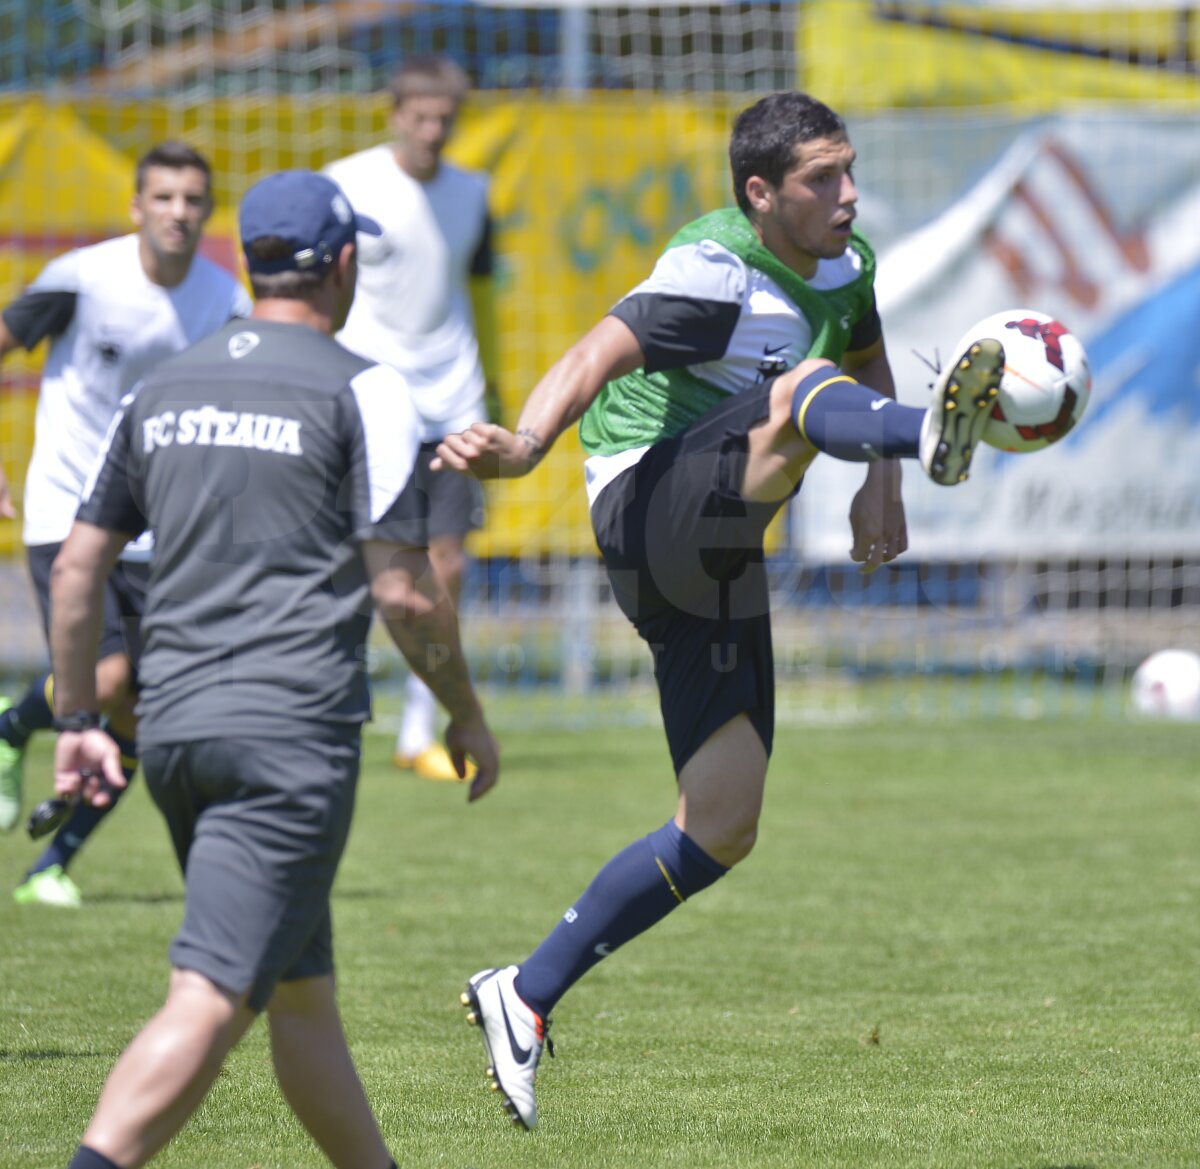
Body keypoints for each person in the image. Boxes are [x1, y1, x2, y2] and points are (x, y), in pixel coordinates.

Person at [436, 91, 1004, 1130]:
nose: (849, 194)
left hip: (718, 544)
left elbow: (860, 339)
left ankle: (521, 992)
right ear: (760, 191)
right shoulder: (715, 275)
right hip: (646, 504)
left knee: (725, 818)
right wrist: (523, 445)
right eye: (822, 179)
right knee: (797, 392)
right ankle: (926, 427)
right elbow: (591, 354)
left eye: (849, 169)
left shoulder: (849, 259)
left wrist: (883, 486)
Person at [47, 169, 499, 1169]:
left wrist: (78, 715)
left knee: (301, 991)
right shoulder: (365, 387)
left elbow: (78, 569)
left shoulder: (158, 387)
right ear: (342, 264)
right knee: (209, 995)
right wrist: (464, 710)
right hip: (289, 738)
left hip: (173, 730)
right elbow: (406, 592)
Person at [0, 141, 252, 907]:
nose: (178, 212)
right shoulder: (82, 279)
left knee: (151, 710)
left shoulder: (224, 300)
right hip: (66, 511)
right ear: (137, 206)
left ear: (207, 211)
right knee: (106, 679)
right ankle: (14, 726)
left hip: (163, 529)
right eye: (164, 197)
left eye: (192, 200)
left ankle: (50, 866)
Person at [322, 54, 496, 782]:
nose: (433, 131)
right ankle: (330, 702)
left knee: (444, 567)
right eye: (421, 118)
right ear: (395, 113)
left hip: (451, 400)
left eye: (445, 120)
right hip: (368, 404)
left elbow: (474, 286)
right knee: (353, 571)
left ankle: (421, 724)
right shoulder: (347, 183)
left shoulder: (474, 191)